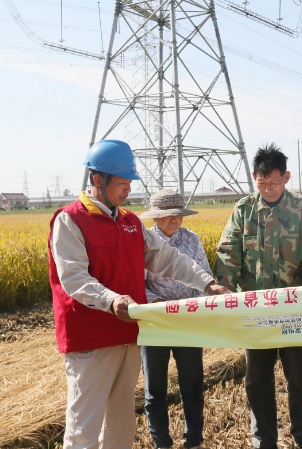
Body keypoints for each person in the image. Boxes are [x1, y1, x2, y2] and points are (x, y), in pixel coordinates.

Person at [48, 139, 229, 449]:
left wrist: (206, 282)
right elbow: (73, 277)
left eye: (129, 182)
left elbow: (166, 258)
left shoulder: (130, 222)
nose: (127, 189)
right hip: (90, 341)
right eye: (122, 183)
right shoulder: (70, 220)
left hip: (128, 335)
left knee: (120, 425)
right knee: (84, 429)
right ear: (97, 180)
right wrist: (111, 299)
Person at [216, 143, 302, 449]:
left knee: (300, 379)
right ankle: (264, 439)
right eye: (261, 183)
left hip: (293, 310)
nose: (267, 188)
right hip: (257, 312)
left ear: (286, 177)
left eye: (273, 183)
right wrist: (225, 291)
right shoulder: (244, 210)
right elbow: (229, 254)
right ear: (255, 178)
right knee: (257, 380)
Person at [139, 189, 211, 449]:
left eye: (178, 215)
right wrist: (155, 302)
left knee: (192, 384)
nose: (174, 220)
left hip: (188, 321)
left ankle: (194, 440)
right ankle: (162, 442)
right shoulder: (143, 242)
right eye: (167, 215)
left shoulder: (192, 240)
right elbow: (136, 285)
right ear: (155, 218)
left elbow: (204, 275)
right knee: (154, 389)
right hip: (155, 322)